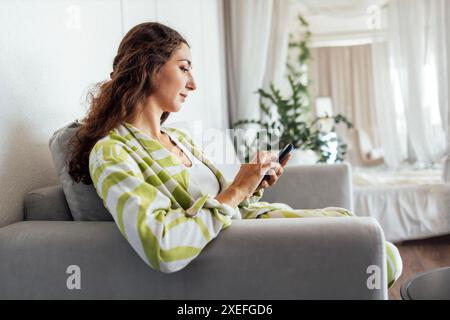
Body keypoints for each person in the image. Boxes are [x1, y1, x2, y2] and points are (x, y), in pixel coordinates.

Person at [68, 22, 402, 287]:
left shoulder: (179, 138)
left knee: (362, 231)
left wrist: (252, 182)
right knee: (378, 255)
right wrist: (237, 190)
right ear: (149, 67)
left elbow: (223, 201)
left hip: (255, 223)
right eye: (184, 68)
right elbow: (163, 244)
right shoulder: (112, 152)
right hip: (242, 248)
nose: (193, 83)